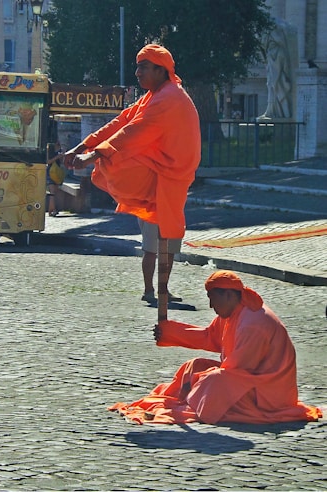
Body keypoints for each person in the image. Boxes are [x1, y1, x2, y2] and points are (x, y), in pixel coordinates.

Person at [64, 44, 201, 296]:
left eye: (143, 67)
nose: (137, 73)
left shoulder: (170, 96)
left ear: (161, 71)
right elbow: (122, 121)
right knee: (154, 245)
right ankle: (153, 291)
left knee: (168, 243)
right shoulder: (153, 95)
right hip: (156, 177)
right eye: (137, 66)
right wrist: (81, 147)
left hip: (170, 175)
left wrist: (94, 155)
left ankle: (161, 291)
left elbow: (133, 131)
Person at [109, 270, 323, 425]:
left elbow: (236, 369)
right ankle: (191, 398)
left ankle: (194, 402)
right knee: (194, 366)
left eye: (213, 300)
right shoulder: (233, 311)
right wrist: (169, 332)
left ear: (229, 295)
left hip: (266, 391)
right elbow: (210, 337)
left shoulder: (253, 323)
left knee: (213, 379)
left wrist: (200, 379)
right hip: (246, 377)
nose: (211, 307)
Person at [139, 219, 182, 303]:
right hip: (152, 212)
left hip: (173, 212)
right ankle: (148, 290)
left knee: (170, 250)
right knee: (150, 250)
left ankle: (163, 289)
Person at [46, 142, 63, 217]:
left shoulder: (59, 150)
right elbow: (48, 161)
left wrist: (61, 155)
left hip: (56, 171)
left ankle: (53, 209)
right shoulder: (49, 149)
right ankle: (52, 210)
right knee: (52, 192)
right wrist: (57, 156)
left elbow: (61, 162)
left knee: (54, 192)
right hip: (51, 171)